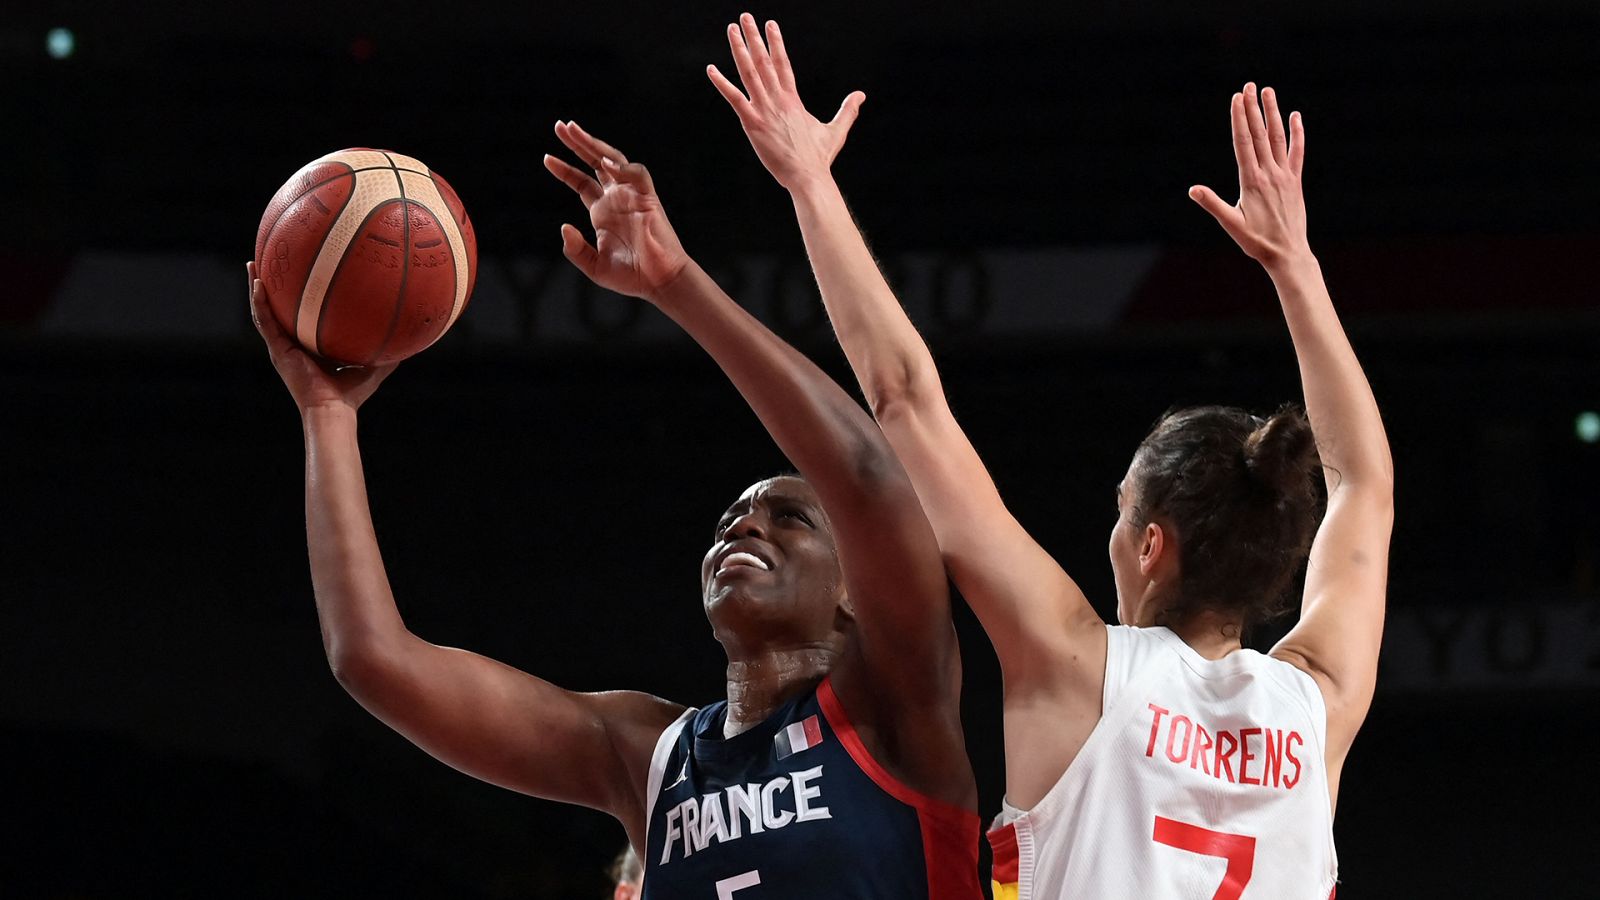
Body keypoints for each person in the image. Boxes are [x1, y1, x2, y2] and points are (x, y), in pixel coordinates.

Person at [709, 16, 1392, 898]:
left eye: (1122, 512)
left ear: (1152, 545)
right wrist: (1297, 268)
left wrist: (809, 183)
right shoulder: (1317, 707)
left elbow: (906, 398)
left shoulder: (1077, 667)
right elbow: (1363, 484)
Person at [247, 117, 982, 897]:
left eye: (790, 518)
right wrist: (328, 416)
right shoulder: (647, 754)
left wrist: (675, 282)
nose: (744, 525)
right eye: (729, 523)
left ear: (852, 591)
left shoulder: (895, 703)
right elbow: (373, 660)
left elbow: (866, 472)